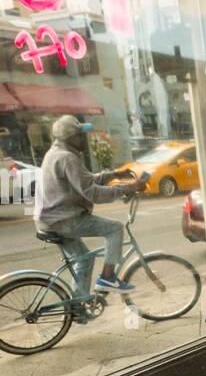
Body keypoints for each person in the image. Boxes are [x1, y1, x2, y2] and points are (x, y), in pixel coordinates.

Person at [34, 115, 146, 298]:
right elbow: (93, 193)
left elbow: (84, 181)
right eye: (79, 135)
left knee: (84, 259)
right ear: (70, 138)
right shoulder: (67, 158)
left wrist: (114, 174)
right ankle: (108, 278)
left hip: (50, 220)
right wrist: (130, 187)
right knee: (115, 229)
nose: (82, 138)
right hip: (63, 220)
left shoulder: (55, 154)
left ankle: (78, 304)